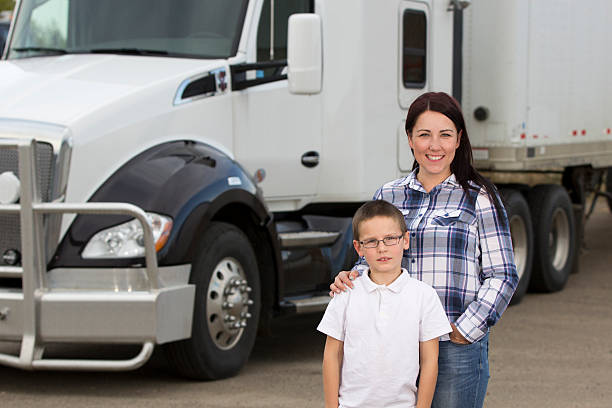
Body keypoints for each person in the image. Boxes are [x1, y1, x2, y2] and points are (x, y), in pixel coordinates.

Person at [330, 92, 519, 408]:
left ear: (458, 139)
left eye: (445, 135)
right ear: (409, 139)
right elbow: (370, 262)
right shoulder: (388, 195)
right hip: (390, 348)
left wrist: (463, 331)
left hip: (452, 347)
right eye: (424, 135)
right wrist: (350, 280)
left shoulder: (479, 197)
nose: (435, 146)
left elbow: (503, 274)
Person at [318, 200, 452, 408]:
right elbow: (331, 355)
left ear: (405, 240)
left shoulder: (424, 296)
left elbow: (429, 362)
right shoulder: (346, 293)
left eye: (390, 239)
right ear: (358, 248)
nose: (382, 248)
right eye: (371, 241)